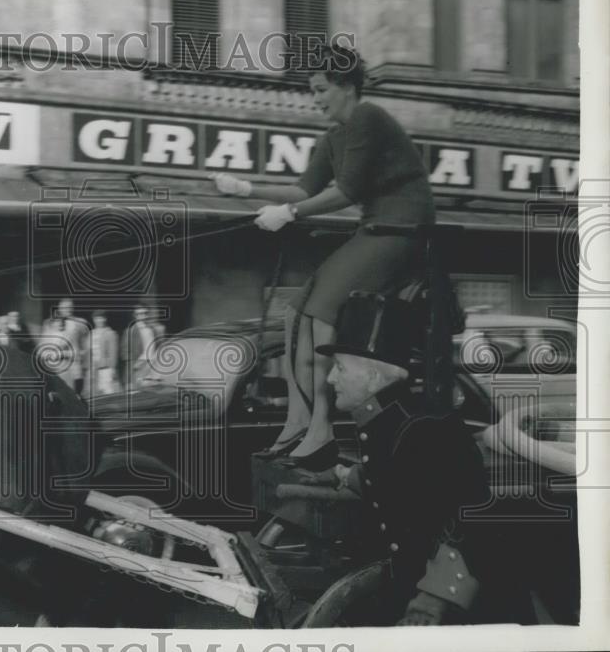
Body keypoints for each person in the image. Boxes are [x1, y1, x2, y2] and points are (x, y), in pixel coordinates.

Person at [213, 43, 435, 470]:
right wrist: (244, 190)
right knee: (296, 315)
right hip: (374, 229)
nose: (315, 99)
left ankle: (321, 429)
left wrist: (290, 214)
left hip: (402, 231)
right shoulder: (334, 137)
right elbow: (303, 191)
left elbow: (345, 193)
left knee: (319, 317)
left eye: (320, 89)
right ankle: (298, 422)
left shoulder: (369, 118)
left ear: (347, 86)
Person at [304, 292, 532, 625]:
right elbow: (400, 485)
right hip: (408, 584)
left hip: (468, 616)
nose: (330, 378)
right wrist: (343, 474)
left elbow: (469, 520)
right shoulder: (391, 421)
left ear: (374, 375)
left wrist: (432, 600)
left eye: (339, 367)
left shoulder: (427, 430)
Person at [41, 299, 88, 395]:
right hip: (55, 364)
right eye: (65, 307)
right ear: (59, 308)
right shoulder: (48, 323)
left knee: (74, 392)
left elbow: (85, 343)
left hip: (74, 362)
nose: (68, 309)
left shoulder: (80, 323)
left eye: (70, 307)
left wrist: (82, 356)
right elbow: (44, 344)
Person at [123, 305, 165, 390]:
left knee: (151, 391)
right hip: (139, 364)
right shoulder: (130, 331)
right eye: (139, 314)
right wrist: (133, 366)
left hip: (152, 364)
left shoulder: (152, 329)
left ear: (147, 315)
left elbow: (157, 346)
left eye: (144, 313)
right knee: (137, 391)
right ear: (135, 315)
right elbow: (125, 352)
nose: (142, 316)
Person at [88, 310, 120, 396]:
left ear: (105, 319)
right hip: (94, 369)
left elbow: (113, 353)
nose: (99, 320)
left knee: (108, 393)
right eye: (97, 318)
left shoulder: (110, 333)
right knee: (96, 394)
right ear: (93, 319)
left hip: (106, 368)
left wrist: (112, 369)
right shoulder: (91, 334)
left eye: (101, 318)